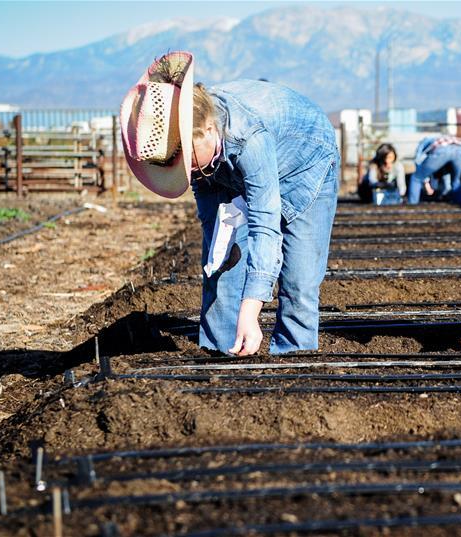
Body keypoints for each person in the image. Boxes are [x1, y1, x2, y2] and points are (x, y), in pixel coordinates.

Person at [120, 51, 338, 356]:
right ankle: (218, 353)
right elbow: (215, 228)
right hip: (228, 166)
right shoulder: (193, 150)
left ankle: (293, 359)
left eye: (190, 163)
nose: (190, 173)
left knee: (298, 281)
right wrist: (220, 253)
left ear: (209, 130)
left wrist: (251, 311)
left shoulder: (247, 136)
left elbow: (266, 223)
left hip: (307, 160)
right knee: (220, 262)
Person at [407, 135, 461, 205]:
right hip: (459, 148)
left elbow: (418, 160)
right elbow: (445, 173)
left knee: (416, 178)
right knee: (456, 181)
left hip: (441, 148)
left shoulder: (425, 141)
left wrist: (426, 183)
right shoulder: (441, 138)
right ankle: (459, 204)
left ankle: (412, 204)